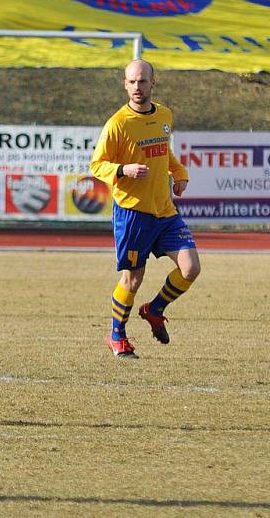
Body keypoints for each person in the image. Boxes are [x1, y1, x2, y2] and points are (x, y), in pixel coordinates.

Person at [90, 59, 201, 359]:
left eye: (142, 81)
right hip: (133, 213)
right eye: (132, 82)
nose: (137, 87)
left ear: (153, 83)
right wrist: (124, 169)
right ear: (125, 85)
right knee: (133, 279)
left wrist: (180, 174)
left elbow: (163, 153)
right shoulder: (118, 124)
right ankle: (117, 335)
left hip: (164, 210)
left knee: (191, 268)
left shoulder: (164, 114)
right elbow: (96, 165)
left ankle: (155, 309)